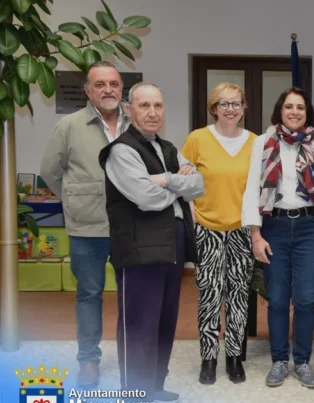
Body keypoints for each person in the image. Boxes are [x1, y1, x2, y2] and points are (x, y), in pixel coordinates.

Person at [98, 82, 204, 402]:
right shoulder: (121, 150)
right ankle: (134, 393)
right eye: (144, 106)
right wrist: (176, 183)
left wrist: (167, 179)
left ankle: (155, 386)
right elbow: (146, 198)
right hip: (139, 247)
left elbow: (198, 185)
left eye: (158, 106)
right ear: (128, 110)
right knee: (139, 325)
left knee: (164, 321)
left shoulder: (168, 148)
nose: (152, 112)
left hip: (172, 243)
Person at [39, 60, 132, 388]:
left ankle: (131, 358)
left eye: (114, 84)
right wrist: (75, 196)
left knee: (132, 296)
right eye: (100, 84)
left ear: (121, 88)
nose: (108, 90)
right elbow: (51, 170)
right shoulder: (70, 126)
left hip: (131, 228)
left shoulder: (137, 121)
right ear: (88, 91)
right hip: (87, 229)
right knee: (89, 294)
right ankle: (89, 361)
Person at [242, 87, 314, 389]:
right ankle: (279, 361)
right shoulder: (262, 143)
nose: (295, 112)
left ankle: (303, 361)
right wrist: (256, 235)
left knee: (306, 299)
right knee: (278, 299)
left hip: (310, 227)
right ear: (280, 111)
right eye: (289, 106)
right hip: (274, 227)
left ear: (306, 113)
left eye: (300, 107)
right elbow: (251, 189)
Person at [180, 83, 257, 385]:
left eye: (236, 103)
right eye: (223, 103)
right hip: (208, 230)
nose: (230, 109)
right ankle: (208, 357)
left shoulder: (255, 142)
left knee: (238, 297)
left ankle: (234, 357)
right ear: (213, 108)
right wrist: (192, 213)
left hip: (241, 230)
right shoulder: (197, 139)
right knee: (210, 296)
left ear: (243, 107)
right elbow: (183, 180)